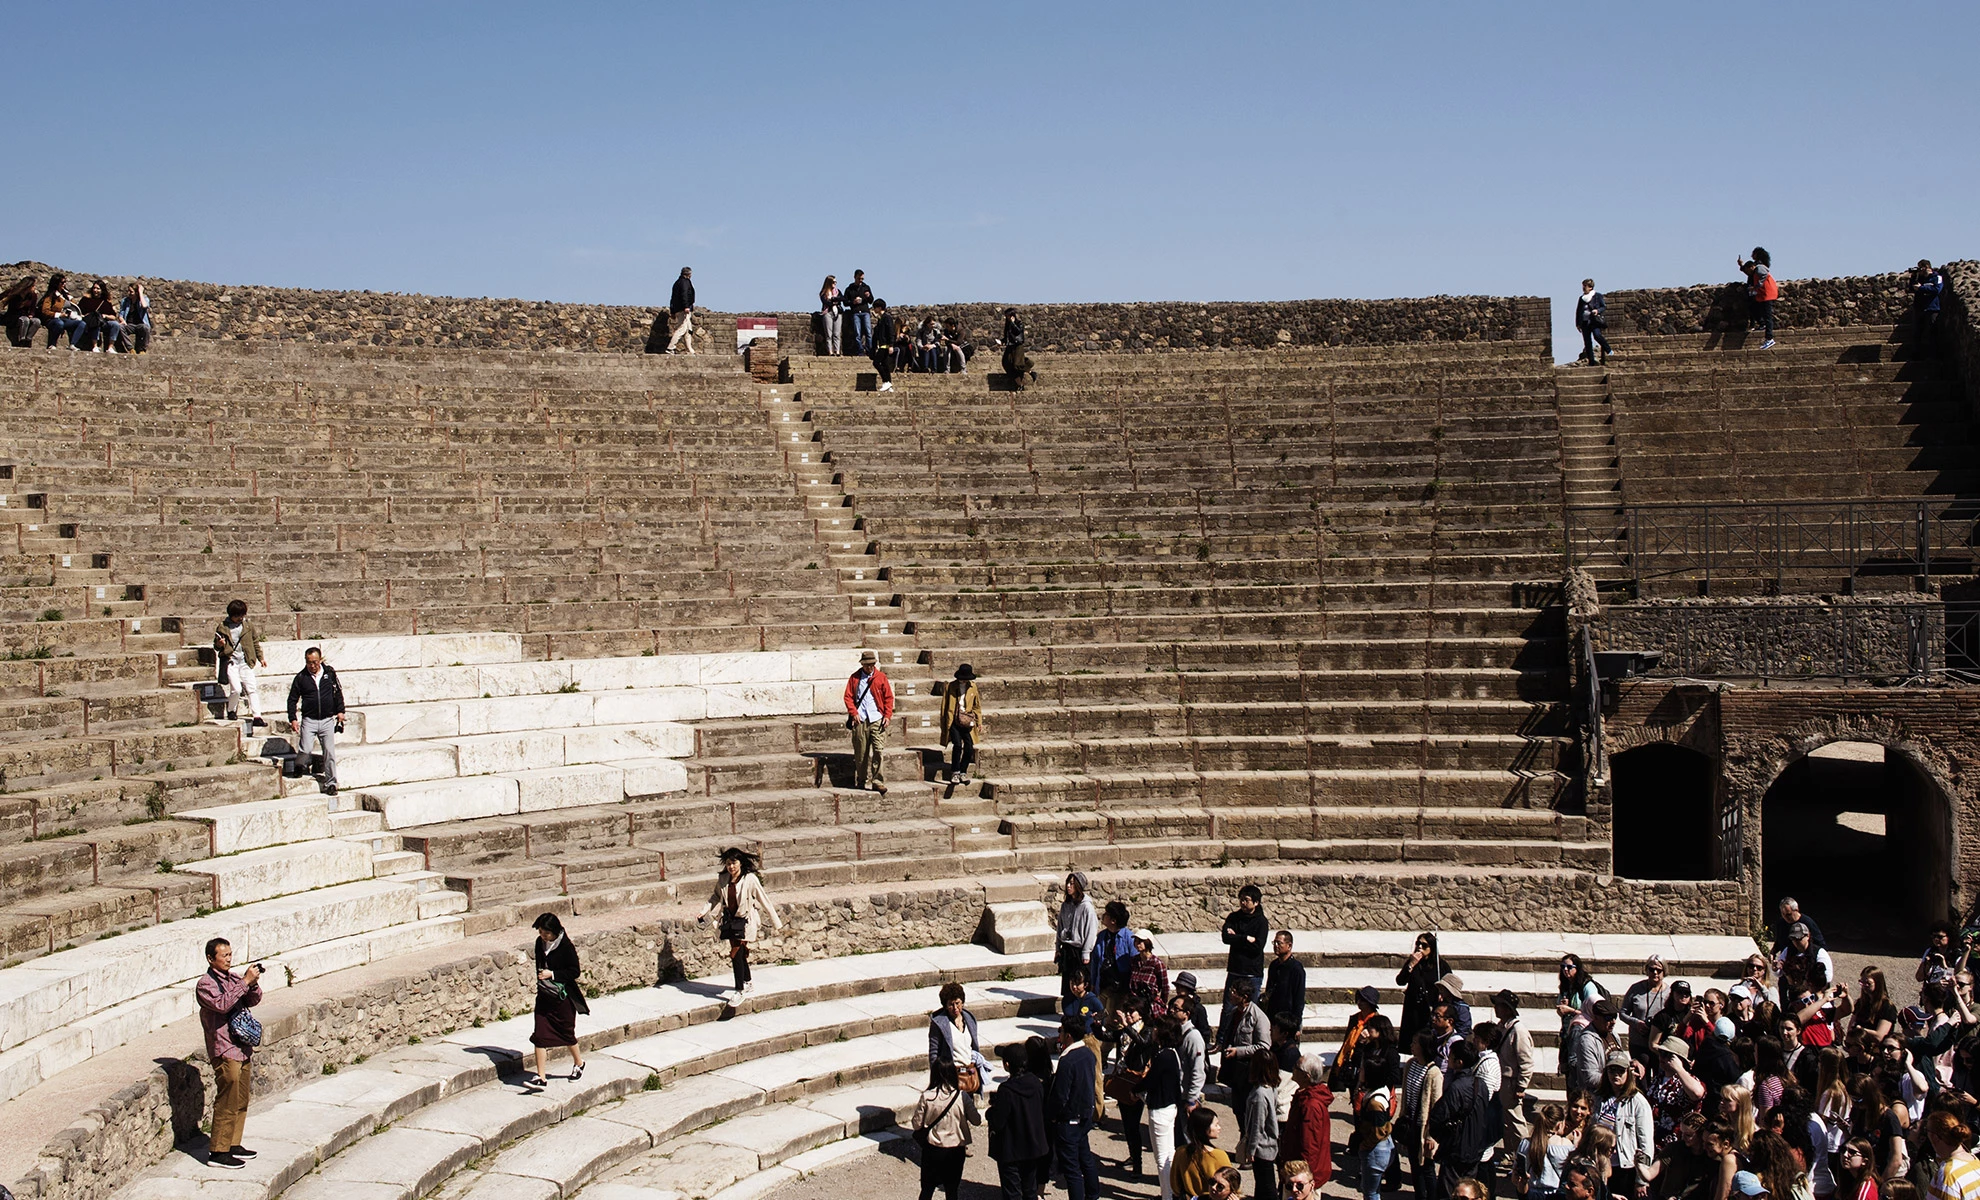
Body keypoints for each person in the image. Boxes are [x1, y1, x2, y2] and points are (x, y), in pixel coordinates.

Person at [196, 936, 263, 1169]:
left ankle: (233, 1143)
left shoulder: (234, 978)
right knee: (227, 1098)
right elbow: (223, 1004)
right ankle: (218, 1151)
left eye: (230, 955)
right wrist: (244, 982)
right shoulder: (205, 984)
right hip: (223, 1047)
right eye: (223, 956)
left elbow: (253, 1000)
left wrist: (252, 984)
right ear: (210, 959)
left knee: (241, 1097)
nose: (228, 959)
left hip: (241, 1047)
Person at [698, 846, 781, 998]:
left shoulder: (750, 879)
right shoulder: (723, 879)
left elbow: (765, 900)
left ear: (741, 863)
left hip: (746, 921)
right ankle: (747, 981)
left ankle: (739, 990)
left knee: (736, 952)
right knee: (739, 952)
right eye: (728, 864)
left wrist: (776, 922)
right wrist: (704, 910)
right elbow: (715, 897)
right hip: (730, 921)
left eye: (734, 863)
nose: (731, 867)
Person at [527, 912, 588, 1086]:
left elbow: (574, 971)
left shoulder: (566, 946)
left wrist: (552, 974)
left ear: (555, 931)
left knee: (566, 1032)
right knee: (540, 1034)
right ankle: (541, 1077)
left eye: (546, 933)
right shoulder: (540, 943)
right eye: (540, 932)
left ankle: (579, 1063)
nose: (543, 936)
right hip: (545, 996)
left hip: (563, 997)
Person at [1431, 1039, 1497, 1198]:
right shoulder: (1480, 1084)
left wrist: (1444, 1138)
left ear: (1459, 1062)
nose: (1448, 1059)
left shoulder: (1457, 1087)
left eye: (1451, 1056)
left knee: (1450, 1192)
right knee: (1469, 1191)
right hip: (1475, 1149)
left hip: (1457, 1150)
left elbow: (1437, 1117)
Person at [1050, 1013, 1102, 1200]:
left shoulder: (1067, 1061)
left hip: (1069, 1120)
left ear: (1068, 1035)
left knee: (1072, 1169)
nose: (1060, 1035)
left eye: (1061, 1031)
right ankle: (1094, 1194)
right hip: (1084, 1115)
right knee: (1086, 1159)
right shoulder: (1088, 1054)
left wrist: (1053, 1116)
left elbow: (1061, 1095)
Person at [989, 1041, 1048, 1200]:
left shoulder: (1006, 1091)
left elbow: (998, 1122)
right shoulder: (1036, 1083)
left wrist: (991, 1112)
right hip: (1033, 1147)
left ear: (1007, 1065)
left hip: (1012, 1151)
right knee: (1030, 1191)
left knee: (1012, 1193)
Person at [286, 646, 346, 795]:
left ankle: (331, 783)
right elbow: (292, 699)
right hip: (309, 720)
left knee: (329, 752)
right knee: (305, 749)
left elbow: (337, 692)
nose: (312, 666)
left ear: (320, 660)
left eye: (315, 662)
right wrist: (293, 718)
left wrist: (340, 711)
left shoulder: (329, 674)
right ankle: (299, 764)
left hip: (327, 720)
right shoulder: (301, 677)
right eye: (309, 662)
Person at [1597, 1048, 1656, 1199]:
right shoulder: (1599, 1099)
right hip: (1601, 1164)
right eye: (1612, 1070)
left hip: (1626, 1168)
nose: (1615, 1074)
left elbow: (1646, 1142)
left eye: (1620, 1071)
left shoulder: (1638, 1102)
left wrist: (1641, 1179)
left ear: (1628, 1073)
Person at [913, 1058, 975, 1200]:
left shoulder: (927, 1097)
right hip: (956, 1149)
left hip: (933, 1149)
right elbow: (976, 1120)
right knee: (952, 1191)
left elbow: (916, 1125)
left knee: (927, 1189)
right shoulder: (962, 1097)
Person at [1399, 1029, 1446, 1200]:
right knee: (1414, 1164)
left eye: (1415, 1043)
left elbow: (1437, 1106)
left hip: (1424, 1127)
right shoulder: (1411, 1064)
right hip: (1410, 1123)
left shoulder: (1434, 1073)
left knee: (1427, 1167)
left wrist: (1431, 1135)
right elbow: (1405, 1095)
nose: (1411, 1046)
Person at [1145, 1015, 1187, 1200]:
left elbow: (1151, 1080)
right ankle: (1170, 1192)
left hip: (1161, 1109)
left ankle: (1167, 1195)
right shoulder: (1172, 1054)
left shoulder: (1164, 1056)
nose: (1153, 1031)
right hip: (1170, 1107)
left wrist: (1134, 1089)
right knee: (1169, 1153)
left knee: (1162, 1157)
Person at [1285, 1053, 1337, 1195]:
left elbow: (1310, 1146)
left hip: (1303, 1178)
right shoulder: (1305, 1096)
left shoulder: (1311, 1105)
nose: (1293, 1068)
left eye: (1297, 1067)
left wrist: (1302, 1181)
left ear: (1306, 1076)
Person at [844, 649, 894, 794]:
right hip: (861, 719)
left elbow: (888, 698)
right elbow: (848, 697)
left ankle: (877, 781)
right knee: (861, 752)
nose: (869, 667)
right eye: (867, 665)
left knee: (878, 750)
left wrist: (887, 715)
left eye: (872, 664)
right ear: (862, 665)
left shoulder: (881, 677)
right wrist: (853, 713)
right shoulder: (855, 678)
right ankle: (861, 779)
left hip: (877, 718)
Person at [1495, 990, 1538, 1157]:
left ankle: (1525, 1157)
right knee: (1505, 1122)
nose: (1496, 1008)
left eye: (1499, 1005)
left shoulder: (1518, 1031)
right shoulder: (1502, 1026)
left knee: (1516, 1121)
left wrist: (1521, 1086)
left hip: (1511, 1082)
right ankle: (1510, 1154)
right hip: (1502, 1080)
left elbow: (1526, 1062)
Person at [213, 600, 269, 727]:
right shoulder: (223, 627)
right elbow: (216, 646)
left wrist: (261, 658)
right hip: (231, 662)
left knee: (252, 688)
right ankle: (231, 710)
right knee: (236, 690)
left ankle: (257, 716)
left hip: (245, 661)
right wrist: (219, 644)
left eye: (242, 615)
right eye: (237, 616)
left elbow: (255, 642)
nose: (240, 618)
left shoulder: (248, 626)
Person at [1218, 977, 1273, 1107]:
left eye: (1235, 992)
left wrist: (1238, 1051)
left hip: (1249, 1071)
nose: (1231, 994)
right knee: (1237, 1106)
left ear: (1244, 997)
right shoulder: (1233, 1013)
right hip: (1235, 1070)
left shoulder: (1258, 1017)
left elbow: (1264, 1046)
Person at [1399, 933, 1451, 1047]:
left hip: (1430, 1006)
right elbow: (1400, 980)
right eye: (1418, 944)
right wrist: (1411, 965)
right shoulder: (1413, 963)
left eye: (1424, 945)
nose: (1420, 947)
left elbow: (1449, 984)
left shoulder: (1440, 965)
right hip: (1414, 1007)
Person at [1173, 1107, 1234, 1200]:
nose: (1219, 1128)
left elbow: (1175, 1185)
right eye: (1216, 1125)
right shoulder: (1219, 1155)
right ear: (1205, 1129)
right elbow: (1231, 1185)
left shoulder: (1180, 1152)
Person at [1567, 999, 1622, 1100]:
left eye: (1615, 1017)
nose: (1613, 1022)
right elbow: (1590, 1078)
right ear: (1595, 1017)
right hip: (1598, 1099)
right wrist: (1618, 1079)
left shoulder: (1613, 1034)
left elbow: (1620, 1060)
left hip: (1615, 1095)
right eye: (1608, 1018)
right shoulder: (1587, 1040)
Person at [1223, 885, 1270, 1001]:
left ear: (1256, 902)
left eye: (1247, 900)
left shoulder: (1261, 922)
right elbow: (1226, 938)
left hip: (1252, 972)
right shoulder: (1233, 918)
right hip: (1235, 969)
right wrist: (1245, 938)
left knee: (1251, 1008)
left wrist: (1236, 938)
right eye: (1241, 900)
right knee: (1228, 1008)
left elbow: (1257, 946)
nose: (1243, 903)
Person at [1057, 871, 1098, 1000]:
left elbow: (1091, 931)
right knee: (1069, 983)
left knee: (1080, 982)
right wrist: (1058, 948)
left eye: (1072, 884)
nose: (1069, 886)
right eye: (1068, 883)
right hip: (1067, 949)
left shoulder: (1087, 908)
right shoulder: (1065, 905)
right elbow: (1060, 927)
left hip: (1080, 951)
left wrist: (1086, 952)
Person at [1336, 985, 1384, 1093]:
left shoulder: (1376, 1022)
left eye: (1363, 1000)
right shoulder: (1354, 1019)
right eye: (1359, 999)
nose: (1359, 1002)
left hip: (1366, 1062)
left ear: (1370, 1004)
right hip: (1352, 1060)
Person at [940, 663, 981, 785]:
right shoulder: (951, 686)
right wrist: (944, 722)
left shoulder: (973, 687)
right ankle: (955, 772)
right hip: (953, 720)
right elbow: (944, 706)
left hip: (967, 720)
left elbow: (977, 706)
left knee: (969, 747)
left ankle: (963, 771)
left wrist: (979, 722)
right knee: (957, 745)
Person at [1624, 957, 1675, 1055]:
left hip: (1660, 1043)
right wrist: (1636, 1023)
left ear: (1664, 971)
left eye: (1659, 970)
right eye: (1651, 969)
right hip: (1638, 1043)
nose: (1655, 973)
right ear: (1646, 970)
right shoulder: (1636, 989)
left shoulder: (1669, 992)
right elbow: (1623, 1013)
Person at [1093, 901, 1136, 1008]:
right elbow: (1095, 961)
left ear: (1113, 920)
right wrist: (1093, 983)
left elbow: (1135, 963)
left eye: (1106, 914)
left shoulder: (1129, 938)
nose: (1103, 916)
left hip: (1120, 988)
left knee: (1112, 1020)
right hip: (1103, 985)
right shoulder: (1102, 936)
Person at [1262, 931, 1306, 1029]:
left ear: (1289, 946)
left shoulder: (1296, 969)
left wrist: (1296, 1024)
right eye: (1274, 943)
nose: (1276, 946)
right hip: (1273, 1018)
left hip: (1288, 1020)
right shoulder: (1274, 965)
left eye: (1279, 943)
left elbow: (1299, 998)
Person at [1738, 248, 1779, 350]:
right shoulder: (1757, 267)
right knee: (1756, 309)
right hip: (1763, 294)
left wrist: (1756, 286)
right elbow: (1751, 273)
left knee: (1767, 316)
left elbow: (1764, 274)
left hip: (1767, 294)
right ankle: (1762, 327)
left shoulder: (1759, 267)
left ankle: (1769, 338)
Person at [1130, 929, 1171, 1018]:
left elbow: (1164, 986)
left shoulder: (1156, 963)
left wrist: (1162, 1004)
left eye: (1140, 941)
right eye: (1136, 941)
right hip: (1136, 1004)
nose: (1137, 943)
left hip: (1151, 1006)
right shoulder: (1134, 961)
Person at [38, 274, 83, 349]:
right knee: (59, 323)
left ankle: (72, 344)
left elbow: (73, 304)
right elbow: (45, 311)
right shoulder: (50, 296)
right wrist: (59, 315)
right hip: (52, 320)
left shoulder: (66, 295)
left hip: (66, 319)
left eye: (65, 282)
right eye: (62, 283)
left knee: (81, 324)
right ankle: (52, 344)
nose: (64, 284)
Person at [76, 279, 121, 352]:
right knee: (95, 322)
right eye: (94, 288)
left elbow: (113, 316)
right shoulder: (86, 300)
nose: (95, 290)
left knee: (115, 324)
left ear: (102, 290)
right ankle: (95, 346)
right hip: (91, 322)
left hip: (103, 322)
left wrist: (105, 316)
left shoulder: (105, 302)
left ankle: (110, 347)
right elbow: (79, 311)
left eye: (98, 288)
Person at [1576, 280, 1613, 366]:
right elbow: (1578, 311)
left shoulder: (1597, 296)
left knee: (1597, 335)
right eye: (1583, 286)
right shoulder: (1581, 298)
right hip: (1584, 322)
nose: (1583, 288)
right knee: (1587, 342)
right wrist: (1578, 323)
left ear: (1590, 287)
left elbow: (1603, 306)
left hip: (1594, 321)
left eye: (1585, 286)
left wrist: (1597, 310)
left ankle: (1609, 350)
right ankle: (1591, 361)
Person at [1910, 261, 1943, 354]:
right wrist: (1913, 277)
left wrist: (1921, 288)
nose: (1919, 270)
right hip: (1919, 308)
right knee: (1917, 333)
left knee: (1932, 333)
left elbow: (1937, 289)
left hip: (1932, 309)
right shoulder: (1919, 279)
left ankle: (1933, 356)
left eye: (1920, 267)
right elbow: (1911, 288)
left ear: (1926, 267)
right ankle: (1917, 355)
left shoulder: (1937, 277)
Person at [1000, 308, 1036, 390]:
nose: (1006, 318)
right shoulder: (1007, 325)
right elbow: (1007, 337)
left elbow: (1018, 332)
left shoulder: (1019, 323)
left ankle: (1031, 372)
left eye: (1008, 316)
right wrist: (1001, 342)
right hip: (1010, 346)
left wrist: (1013, 323)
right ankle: (1020, 384)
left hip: (1017, 346)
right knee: (1007, 363)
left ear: (1012, 316)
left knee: (1017, 364)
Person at [1, 274, 40, 347]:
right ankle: (22, 340)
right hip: (14, 316)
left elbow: (33, 308)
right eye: (33, 286)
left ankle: (28, 339)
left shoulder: (32, 295)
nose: (34, 288)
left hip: (25, 315)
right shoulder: (14, 293)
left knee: (37, 322)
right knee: (25, 320)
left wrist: (31, 315)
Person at [843, 269, 874, 355]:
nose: (861, 281)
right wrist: (853, 302)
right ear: (855, 277)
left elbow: (871, 301)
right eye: (859, 279)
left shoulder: (866, 287)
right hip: (855, 312)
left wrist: (868, 296)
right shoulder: (849, 289)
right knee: (857, 333)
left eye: (862, 279)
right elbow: (845, 302)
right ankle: (860, 350)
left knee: (868, 332)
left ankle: (869, 350)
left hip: (865, 311)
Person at [871, 300, 900, 391]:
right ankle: (888, 384)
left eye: (875, 307)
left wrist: (891, 345)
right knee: (885, 364)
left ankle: (886, 381)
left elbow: (890, 331)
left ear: (879, 308)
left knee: (876, 362)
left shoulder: (887, 318)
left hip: (885, 345)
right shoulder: (881, 319)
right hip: (882, 345)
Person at [665, 267, 695, 353]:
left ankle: (690, 349)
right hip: (683, 309)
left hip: (678, 309)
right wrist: (686, 306)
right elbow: (684, 294)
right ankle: (670, 347)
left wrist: (673, 311)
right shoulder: (685, 282)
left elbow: (673, 298)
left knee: (688, 330)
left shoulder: (677, 283)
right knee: (682, 328)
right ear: (689, 274)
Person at [118, 281, 152, 353]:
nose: (129, 293)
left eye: (131, 292)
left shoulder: (144, 299)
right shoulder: (125, 301)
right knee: (120, 327)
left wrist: (140, 292)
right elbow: (121, 314)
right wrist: (122, 320)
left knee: (146, 328)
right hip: (129, 325)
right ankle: (130, 348)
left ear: (136, 293)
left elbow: (144, 306)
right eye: (128, 291)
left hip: (140, 324)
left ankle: (143, 349)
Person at [818, 275, 843, 356]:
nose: (835, 284)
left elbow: (842, 299)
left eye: (836, 282)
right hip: (828, 313)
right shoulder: (824, 293)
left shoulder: (838, 291)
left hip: (837, 313)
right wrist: (833, 301)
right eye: (833, 282)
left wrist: (834, 300)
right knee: (829, 334)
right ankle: (830, 351)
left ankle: (837, 351)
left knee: (837, 333)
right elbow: (826, 302)